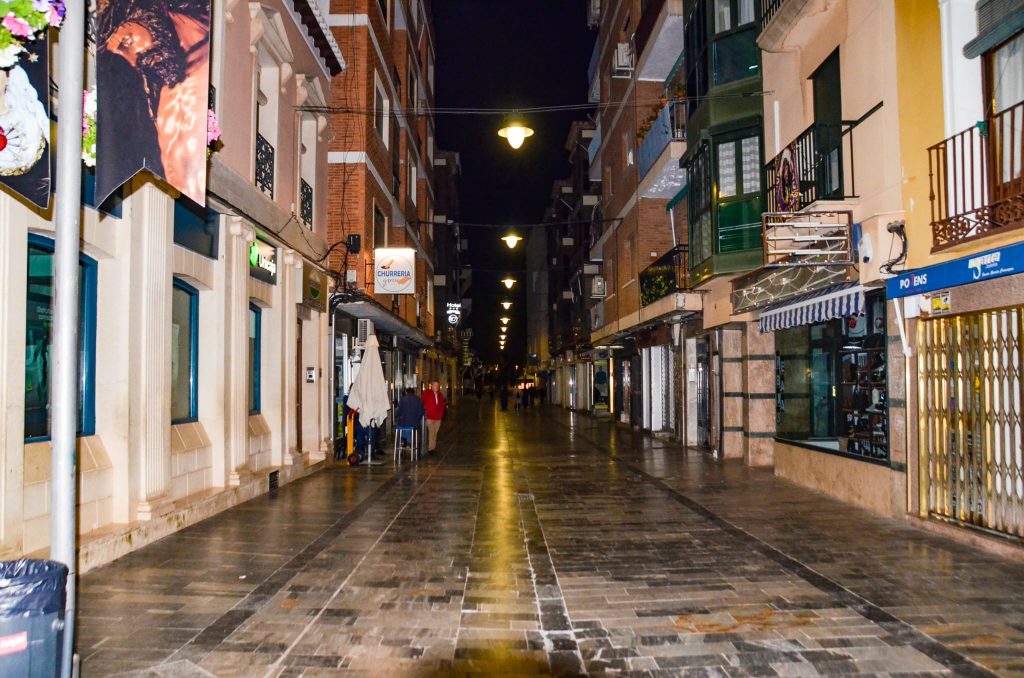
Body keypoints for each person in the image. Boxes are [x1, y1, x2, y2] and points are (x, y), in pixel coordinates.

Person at [421, 380, 447, 453]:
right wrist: (425, 408)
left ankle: (433, 448)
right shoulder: (427, 393)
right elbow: (421, 401)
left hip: (438, 417)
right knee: (432, 432)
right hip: (429, 417)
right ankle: (431, 449)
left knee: (435, 433)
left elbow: (442, 406)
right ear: (431, 386)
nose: (436, 387)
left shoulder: (440, 395)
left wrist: (441, 414)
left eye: (437, 385)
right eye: (435, 385)